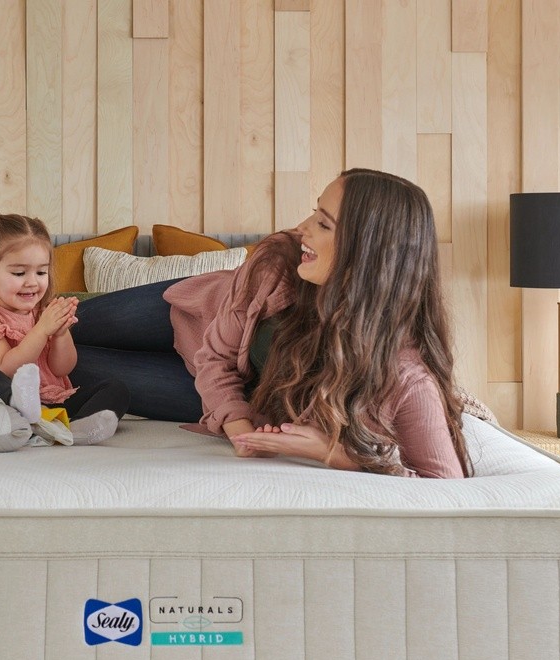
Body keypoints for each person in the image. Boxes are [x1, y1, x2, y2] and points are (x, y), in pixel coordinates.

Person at [71, 168, 470, 478]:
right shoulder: (279, 263)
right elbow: (217, 355)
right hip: (196, 315)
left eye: (324, 224)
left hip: (208, 389)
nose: (302, 228)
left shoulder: (405, 375)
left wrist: (335, 454)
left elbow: (447, 487)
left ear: (368, 254)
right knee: (50, 325)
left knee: (56, 362)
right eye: (315, 211)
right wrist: (242, 430)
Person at [0, 209, 130, 431]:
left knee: (116, 388)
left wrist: (61, 334)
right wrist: (42, 331)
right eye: (19, 273)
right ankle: (24, 420)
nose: (32, 282)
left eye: (41, 272)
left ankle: (70, 428)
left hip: (50, 404)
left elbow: (62, 368)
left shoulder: (44, 314)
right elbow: (6, 369)